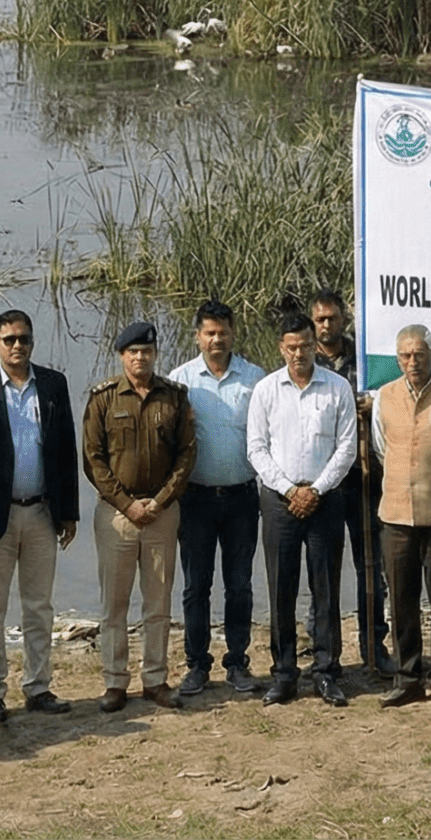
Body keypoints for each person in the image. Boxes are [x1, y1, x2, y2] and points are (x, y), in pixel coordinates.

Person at [0, 309, 81, 721]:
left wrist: (68, 513)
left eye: (23, 339)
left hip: (42, 512)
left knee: (39, 606)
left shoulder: (52, 384)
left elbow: (65, 449)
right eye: (9, 339)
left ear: (32, 342)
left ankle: (38, 686)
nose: (17, 346)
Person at [245, 309, 358, 707]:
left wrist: (317, 489)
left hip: (326, 499)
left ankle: (326, 671)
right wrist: (290, 489)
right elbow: (256, 449)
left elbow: (347, 447)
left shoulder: (337, 388)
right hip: (280, 500)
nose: (299, 354)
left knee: (326, 586)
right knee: (281, 588)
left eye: (306, 346)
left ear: (315, 346)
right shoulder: (266, 390)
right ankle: (284, 673)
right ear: (281, 348)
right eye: (292, 347)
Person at [82, 319, 197, 712]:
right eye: (133, 352)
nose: (140, 358)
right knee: (114, 604)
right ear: (122, 355)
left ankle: (155, 679)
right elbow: (93, 460)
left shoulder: (174, 397)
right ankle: (115, 682)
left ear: (155, 354)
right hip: (116, 514)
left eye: (146, 351)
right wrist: (126, 503)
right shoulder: (103, 398)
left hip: (161, 512)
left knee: (158, 602)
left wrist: (160, 501)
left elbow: (186, 454)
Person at [168, 298, 267, 697]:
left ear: (233, 334)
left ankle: (237, 662)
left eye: (223, 332)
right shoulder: (180, 381)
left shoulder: (255, 379)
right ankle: (197, 664)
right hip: (195, 500)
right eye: (209, 333)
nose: (216, 340)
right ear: (198, 336)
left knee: (239, 584)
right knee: (196, 586)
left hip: (242, 497)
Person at [372, 324, 431, 710]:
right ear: (398, 360)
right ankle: (407, 678)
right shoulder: (384, 396)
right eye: (406, 356)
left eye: (419, 355)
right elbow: (381, 448)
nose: (413, 362)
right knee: (401, 602)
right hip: (395, 516)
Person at [309, 289, 388, 675]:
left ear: (344, 319)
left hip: (365, 474)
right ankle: (322, 647)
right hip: (323, 479)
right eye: (320, 320)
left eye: (333, 318)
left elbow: (391, 395)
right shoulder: (304, 361)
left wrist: (375, 404)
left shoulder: (367, 357)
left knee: (371, 565)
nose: (327, 325)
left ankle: (374, 644)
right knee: (322, 567)